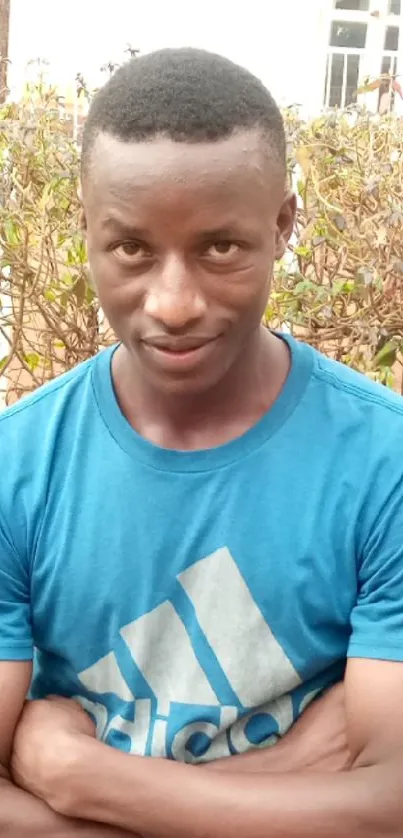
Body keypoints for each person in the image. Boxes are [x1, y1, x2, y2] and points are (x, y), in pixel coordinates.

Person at [1, 47, 403, 838]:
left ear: (283, 225)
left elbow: (389, 804)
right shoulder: (15, 468)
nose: (174, 303)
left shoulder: (382, 463)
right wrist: (284, 777)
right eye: (131, 249)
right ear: (85, 230)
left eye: (219, 247)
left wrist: (81, 778)